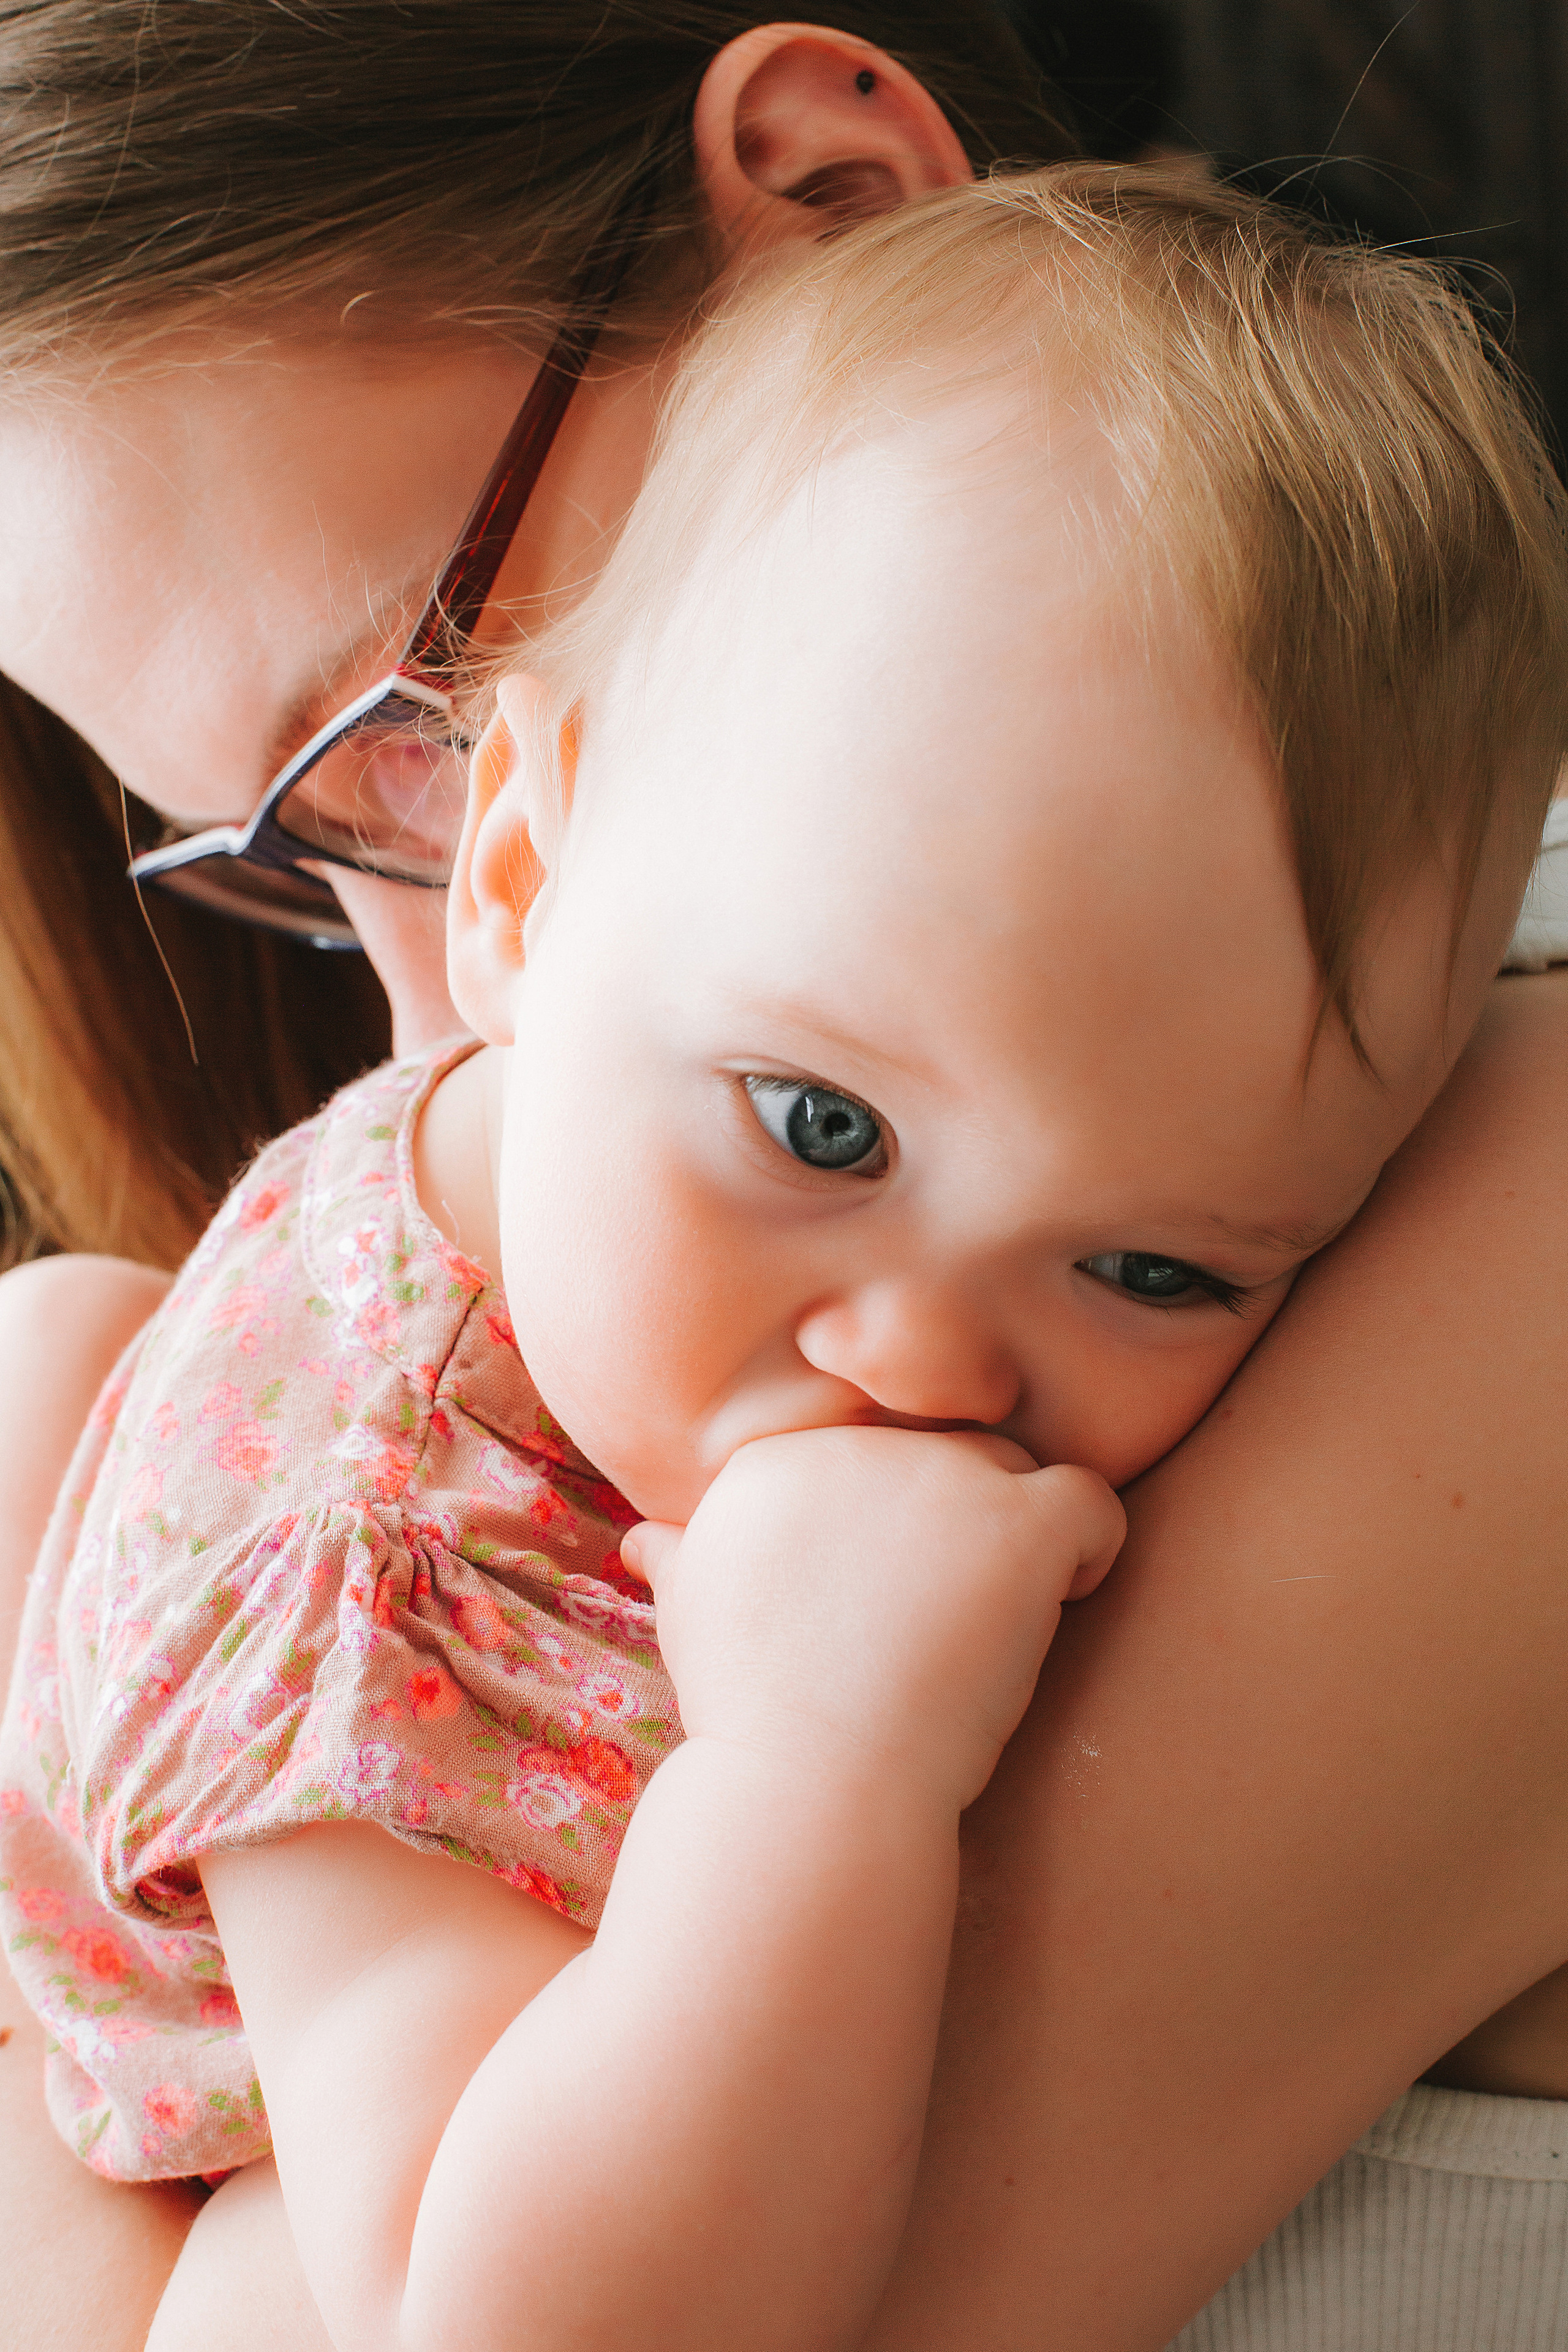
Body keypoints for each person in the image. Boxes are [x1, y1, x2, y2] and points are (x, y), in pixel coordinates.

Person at [1, 10, 1567, 2350]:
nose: (434, 1023)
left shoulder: (1497, 1173)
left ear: (841, 202)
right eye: (295, 857)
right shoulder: (371, 1510)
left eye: (413, 708)